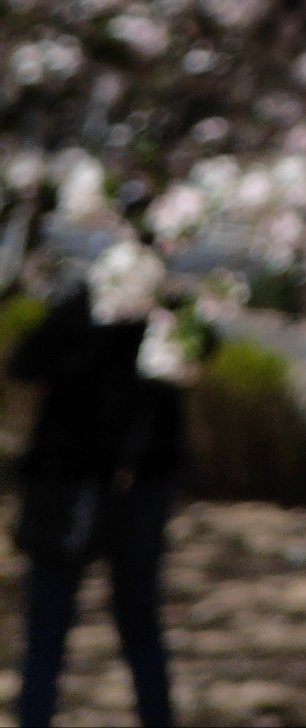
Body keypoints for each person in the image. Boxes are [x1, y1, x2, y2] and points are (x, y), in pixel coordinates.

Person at [12, 273, 185, 728]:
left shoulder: (169, 314)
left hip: (122, 486)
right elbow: (26, 363)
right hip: (77, 488)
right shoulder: (86, 303)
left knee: (126, 626)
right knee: (55, 634)